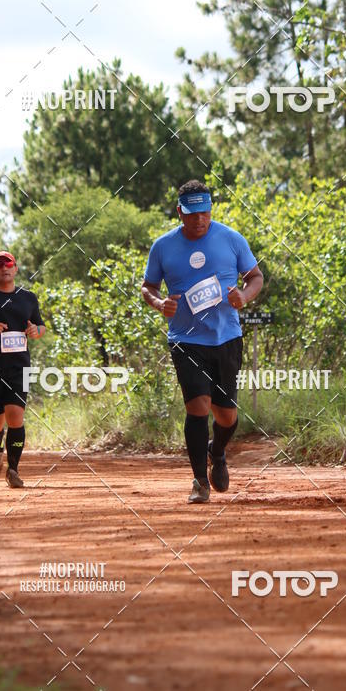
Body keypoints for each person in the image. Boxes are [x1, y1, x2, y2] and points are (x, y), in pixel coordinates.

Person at [142, 180, 263, 503]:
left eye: (205, 212)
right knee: (198, 406)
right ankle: (199, 481)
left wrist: (244, 296)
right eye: (192, 213)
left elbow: (255, 277)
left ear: (211, 209)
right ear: (179, 212)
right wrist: (159, 303)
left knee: (227, 416)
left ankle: (217, 451)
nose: (199, 219)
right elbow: (148, 286)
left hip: (226, 337)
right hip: (186, 339)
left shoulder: (231, 239)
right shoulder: (163, 246)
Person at [0, 250, 46, 489]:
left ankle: (13, 470)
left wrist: (36, 331)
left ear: (16, 268)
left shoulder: (28, 298)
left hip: (19, 367)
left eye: (9, 264)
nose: (4, 268)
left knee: (16, 416)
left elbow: (40, 325)